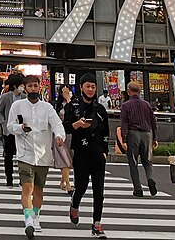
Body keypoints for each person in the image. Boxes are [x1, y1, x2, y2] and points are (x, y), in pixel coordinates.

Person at [6, 75, 67, 238]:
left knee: (39, 189)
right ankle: (28, 220)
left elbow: (57, 124)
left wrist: (60, 136)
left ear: (40, 87)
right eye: (30, 86)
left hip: (43, 154)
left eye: (36, 86)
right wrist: (20, 128)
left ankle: (36, 215)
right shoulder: (17, 106)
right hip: (24, 154)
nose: (33, 89)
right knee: (27, 188)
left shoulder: (47, 108)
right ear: (24, 88)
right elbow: (10, 126)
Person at [65, 73, 111, 238]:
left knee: (99, 191)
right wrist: (76, 125)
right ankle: (74, 205)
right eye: (87, 86)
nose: (91, 89)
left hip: (98, 153)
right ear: (81, 87)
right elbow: (65, 127)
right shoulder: (73, 106)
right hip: (81, 153)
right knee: (81, 186)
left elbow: (106, 131)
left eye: (93, 86)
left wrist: (105, 151)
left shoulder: (100, 109)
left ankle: (97, 224)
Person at [118, 80, 158, 198]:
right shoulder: (147, 105)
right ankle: (150, 179)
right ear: (139, 91)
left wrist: (124, 140)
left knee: (133, 162)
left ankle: (138, 189)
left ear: (128, 91)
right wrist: (155, 138)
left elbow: (124, 123)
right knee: (147, 161)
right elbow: (153, 122)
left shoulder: (125, 105)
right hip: (147, 134)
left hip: (133, 134)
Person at [0, 72, 26, 186]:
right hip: (9, 131)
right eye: (21, 85)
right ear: (15, 86)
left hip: (21, 130)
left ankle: (22, 179)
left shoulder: (24, 97)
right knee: (8, 156)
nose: (23, 88)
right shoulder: (6, 97)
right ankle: (9, 178)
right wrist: (4, 123)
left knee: (22, 155)